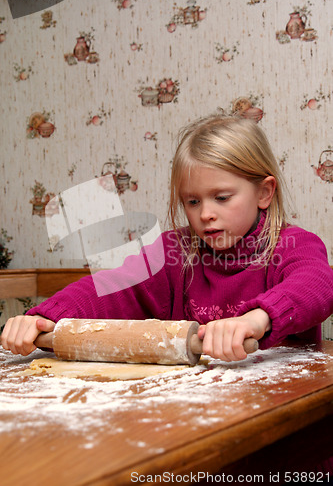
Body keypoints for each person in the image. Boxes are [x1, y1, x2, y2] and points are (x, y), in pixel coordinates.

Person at [1, 114, 333, 363]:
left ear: (264, 192)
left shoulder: (292, 244)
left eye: (221, 197)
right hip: (199, 418)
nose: (205, 214)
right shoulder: (175, 251)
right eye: (192, 201)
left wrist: (257, 319)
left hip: (284, 424)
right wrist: (46, 315)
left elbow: (316, 284)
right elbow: (112, 286)